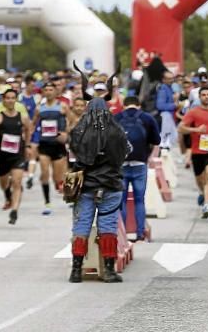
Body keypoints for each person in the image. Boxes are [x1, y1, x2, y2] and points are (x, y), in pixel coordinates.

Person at [67, 97, 130, 283]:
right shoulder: (117, 132)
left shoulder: (79, 131)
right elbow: (126, 152)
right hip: (111, 185)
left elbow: (74, 157)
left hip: (86, 186)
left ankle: (76, 270)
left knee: (81, 226)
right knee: (108, 227)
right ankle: (109, 270)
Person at [0, 89, 34, 225]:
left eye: (13, 98)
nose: (10, 100)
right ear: (4, 100)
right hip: (3, 155)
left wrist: (28, 145)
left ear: (16, 100)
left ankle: (14, 210)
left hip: (17, 154)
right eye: (8, 98)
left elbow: (29, 129)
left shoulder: (22, 117)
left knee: (17, 182)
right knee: (4, 183)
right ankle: (7, 195)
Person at [114, 96, 160, 238]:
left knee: (120, 201)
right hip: (140, 164)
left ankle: (121, 234)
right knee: (139, 200)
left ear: (124, 105)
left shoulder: (116, 118)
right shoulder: (147, 118)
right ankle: (140, 233)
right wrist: (151, 157)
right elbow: (156, 141)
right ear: (139, 105)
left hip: (121, 164)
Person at [177, 87, 208, 218]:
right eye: (203, 95)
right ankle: (203, 193)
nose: (206, 97)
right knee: (200, 179)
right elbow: (181, 128)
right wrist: (196, 130)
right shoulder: (193, 112)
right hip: (197, 151)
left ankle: (206, 205)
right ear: (199, 97)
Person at [33, 82, 70, 215]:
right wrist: (31, 141)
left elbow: (71, 121)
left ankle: (60, 185)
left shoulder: (63, 106)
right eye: (46, 90)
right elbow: (33, 124)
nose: (48, 92)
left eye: (51, 90)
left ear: (55, 92)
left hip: (58, 145)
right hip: (44, 144)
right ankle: (47, 203)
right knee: (44, 172)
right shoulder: (39, 108)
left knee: (58, 177)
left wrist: (66, 133)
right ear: (43, 92)